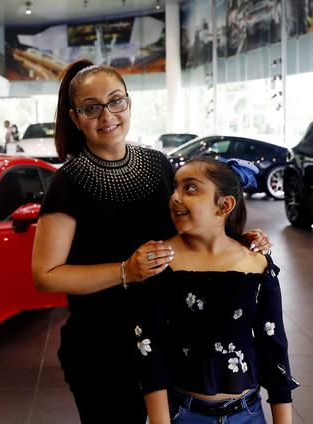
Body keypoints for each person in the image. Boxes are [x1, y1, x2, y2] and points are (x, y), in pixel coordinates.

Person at [31, 60, 271, 424]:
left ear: (129, 103)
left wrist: (237, 242)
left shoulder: (158, 164)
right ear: (76, 117)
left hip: (171, 337)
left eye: (115, 102)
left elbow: (189, 225)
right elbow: (46, 275)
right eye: (91, 108)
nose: (107, 115)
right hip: (102, 347)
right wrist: (126, 270)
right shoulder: (69, 182)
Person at [134, 157, 298, 424]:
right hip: (183, 414)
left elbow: (274, 350)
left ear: (224, 205)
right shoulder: (160, 262)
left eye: (190, 188)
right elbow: (149, 351)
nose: (175, 197)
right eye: (175, 187)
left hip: (248, 413)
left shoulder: (257, 264)